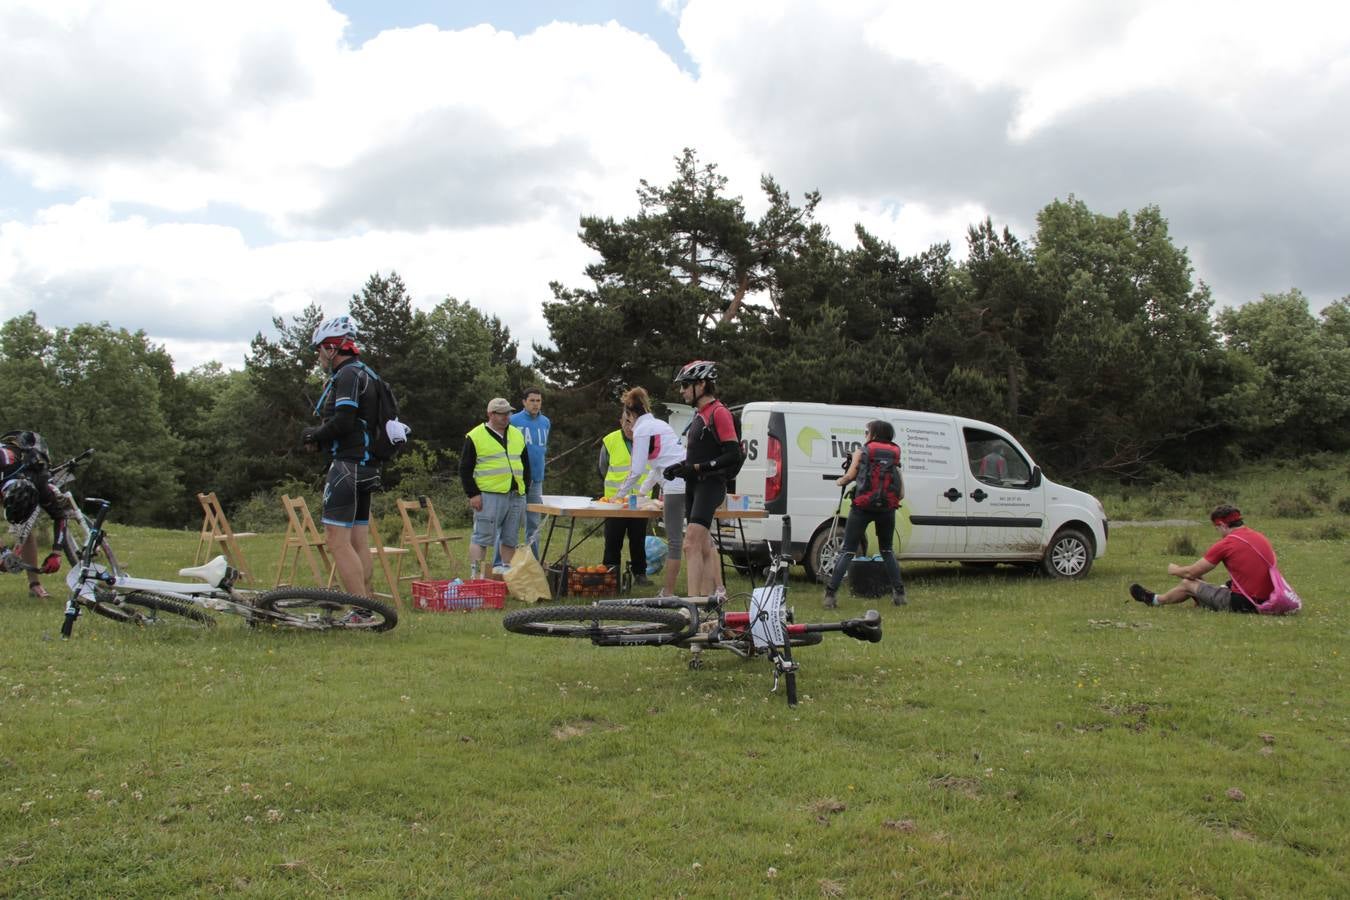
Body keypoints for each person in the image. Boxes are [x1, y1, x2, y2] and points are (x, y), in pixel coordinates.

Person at [301, 316, 384, 601]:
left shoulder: (348, 375)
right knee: (358, 541)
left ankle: (361, 611)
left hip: (348, 465)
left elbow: (344, 421)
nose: (319, 356)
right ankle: (370, 605)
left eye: (319, 349)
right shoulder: (368, 373)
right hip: (368, 465)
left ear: (332, 347)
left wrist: (313, 435)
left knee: (337, 542)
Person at [662, 361, 739, 600]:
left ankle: (692, 605)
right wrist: (680, 467)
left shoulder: (719, 412)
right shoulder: (699, 415)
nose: (681, 391)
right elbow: (699, 454)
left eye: (685, 385)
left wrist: (698, 467)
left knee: (690, 544)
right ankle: (707, 605)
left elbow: (733, 454)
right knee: (704, 547)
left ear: (702, 384)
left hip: (710, 484)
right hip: (694, 485)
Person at [1130, 505, 1279, 613]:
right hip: (1269, 598)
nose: (1218, 532)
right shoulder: (1259, 537)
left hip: (1245, 603)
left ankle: (1155, 600)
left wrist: (1174, 570)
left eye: (1217, 528)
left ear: (1222, 525)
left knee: (1188, 583)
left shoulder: (1227, 543)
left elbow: (1191, 573)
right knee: (1199, 580)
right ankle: (1200, 600)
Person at [822, 420, 907, 609]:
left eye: (867, 432)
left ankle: (830, 595)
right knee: (887, 550)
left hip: (862, 506)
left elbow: (849, 477)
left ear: (874, 433)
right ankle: (899, 594)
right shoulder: (895, 454)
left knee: (847, 550)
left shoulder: (862, 452)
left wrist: (839, 481)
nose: (865, 435)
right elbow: (901, 492)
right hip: (887, 508)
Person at [613, 386, 686, 597]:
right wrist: (642, 492)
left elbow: (636, 470)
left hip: (675, 487)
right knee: (700, 541)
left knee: (675, 542)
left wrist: (618, 496)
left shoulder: (642, 430)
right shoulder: (661, 425)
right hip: (688, 482)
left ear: (630, 414)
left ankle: (668, 593)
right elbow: (656, 468)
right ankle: (709, 588)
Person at [460, 398, 531, 580]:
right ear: (491, 414)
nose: (507, 417)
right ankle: (476, 576)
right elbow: (465, 468)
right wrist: (473, 494)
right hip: (489, 496)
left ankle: (508, 577)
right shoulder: (475, 436)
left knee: (510, 539)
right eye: (502, 414)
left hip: (516, 495)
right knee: (481, 538)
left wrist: (525, 488)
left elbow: (525, 464)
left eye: (509, 413)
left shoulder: (516, 434)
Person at [0, 431, 66, 598]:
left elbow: (60, 516)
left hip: (23, 474)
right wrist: (3, 552)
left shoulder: (40, 482)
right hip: (6, 471)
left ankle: (35, 585)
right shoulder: (4, 460)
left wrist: (56, 553)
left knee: (26, 530)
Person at [598, 410, 650, 587]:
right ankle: (610, 574)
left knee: (638, 539)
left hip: (640, 502)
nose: (630, 426)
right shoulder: (610, 440)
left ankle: (640, 574)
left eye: (633, 422)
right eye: (626, 422)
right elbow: (602, 468)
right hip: (615, 502)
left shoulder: (647, 440)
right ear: (620, 421)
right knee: (613, 539)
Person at [509, 386, 550, 559]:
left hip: (536, 479)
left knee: (534, 523)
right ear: (524, 402)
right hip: (517, 479)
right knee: (511, 522)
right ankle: (506, 561)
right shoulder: (513, 420)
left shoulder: (546, 422)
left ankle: (532, 561)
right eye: (532, 400)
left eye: (538, 401)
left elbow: (541, 449)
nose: (535, 404)